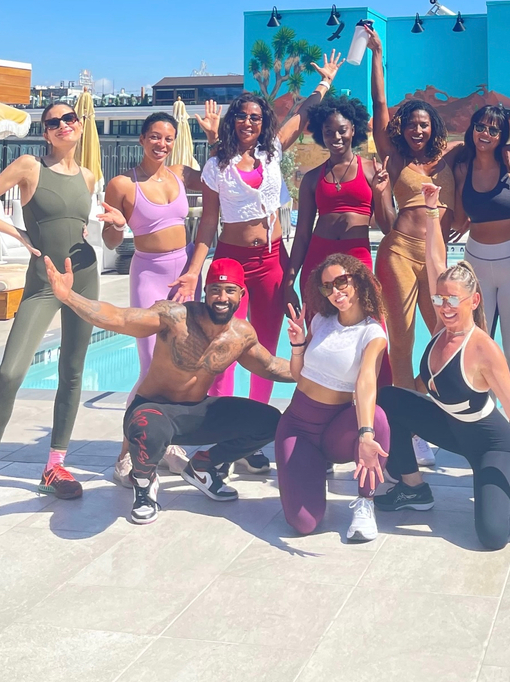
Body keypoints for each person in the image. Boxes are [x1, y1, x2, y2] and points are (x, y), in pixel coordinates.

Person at [376, 184, 510, 548]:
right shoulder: (442, 325)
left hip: (491, 444)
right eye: (440, 299)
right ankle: (412, 488)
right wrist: (430, 211)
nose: (444, 306)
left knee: (491, 536)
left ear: (474, 300)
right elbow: (435, 261)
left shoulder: (483, 348)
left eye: (453, 300)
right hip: (449, 430)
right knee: (391, 398)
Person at [0, 101, 114, 530]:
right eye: (53, 122)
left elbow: (88, 228)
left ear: (79, 127)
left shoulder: (88, 176)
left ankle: (55, 465)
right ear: (45, 132)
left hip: (83, 277)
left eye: (70, 119)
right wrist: (19, 233)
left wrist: (114, 222)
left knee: (74, 370)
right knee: (9, 373)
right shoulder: (29, 166)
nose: (64, 125)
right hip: (43, 282)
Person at [43, 254, 294, 524]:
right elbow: (119, 318)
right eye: (215, 290)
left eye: (230, 291)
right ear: (205, 292)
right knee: (147, 428)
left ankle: (203, 467)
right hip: (154, 409)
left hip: (197, 412)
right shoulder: (175, 318)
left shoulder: (241, 335)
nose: (222, 298)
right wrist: (69, 296)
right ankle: (144, 486)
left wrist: (320, 375)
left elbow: (271, 367)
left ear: (241, 294)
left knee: (269, 421)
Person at [171, 52, 342, 429]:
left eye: (255, 117)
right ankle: (219, 425)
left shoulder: (272, 152)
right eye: (242, 116)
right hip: (230, 261)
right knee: (223, 342)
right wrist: (191, 270)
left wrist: (324, 82)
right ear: (233, 122)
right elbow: (208, 224)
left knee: (263, 344)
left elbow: (302, 116)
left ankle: (254, 426)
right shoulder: (217, 165)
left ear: (262, 123)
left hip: (270, 261)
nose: (248, 122)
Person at [100, 109, 218, 486]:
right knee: (152, 368)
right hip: (149, 275)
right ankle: (126, 452)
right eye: (154, 136)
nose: (161, 144)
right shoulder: (122, 184)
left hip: (184, 275)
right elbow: (110, 241)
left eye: (167, 138)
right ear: (141, 139)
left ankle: (166, 445)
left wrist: (214, 139)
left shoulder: (182, 174)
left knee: (183, 361)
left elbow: (220, 182)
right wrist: (118, 227)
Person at [366, 28, 456, 401]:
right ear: (401, 128)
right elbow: (380, 104)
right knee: (402, 339)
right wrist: (376, 55)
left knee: (445, 333)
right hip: (399, 251)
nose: (417, 129)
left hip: (436, 254)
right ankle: (406, 420)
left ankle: (427, 401)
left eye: (424, 124)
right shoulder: (397, 157)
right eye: (411, 124)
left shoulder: (448, 157)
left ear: (433, 127)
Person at [276, 255, 390, 542]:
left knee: (377, 418)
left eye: (341, 282)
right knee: (304, 523)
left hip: (335, 432)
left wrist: (365, 435)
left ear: (357, 280)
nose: (335, 292)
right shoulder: (320, 320)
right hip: (298, 428)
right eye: (327, 287)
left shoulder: (372, 333)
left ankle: (366, 503)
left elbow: (366, 382)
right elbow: (299, 376)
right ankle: (312, 470)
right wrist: (298, 344)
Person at [450, 104, 510, 402]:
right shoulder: (463, 168)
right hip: (476, 262)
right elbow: (461, 220)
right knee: (475, 341)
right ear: (472, 128)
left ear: (502, 136)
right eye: (480, 127)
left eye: (493, 129)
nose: (485, 133)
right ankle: (482, 421)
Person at [283, 94, 380, 305]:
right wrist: (288, 283)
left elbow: (387, 224)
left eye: (342, 130)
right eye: (328, 132)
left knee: (366, 321)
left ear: (353, 130)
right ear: (321, 135)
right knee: (318, 327)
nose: (336, 137)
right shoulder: (311, 178)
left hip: (357, 255)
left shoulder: (373, 171)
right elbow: (301, 237)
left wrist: (381, 193)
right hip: (318, 259)